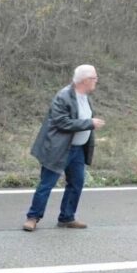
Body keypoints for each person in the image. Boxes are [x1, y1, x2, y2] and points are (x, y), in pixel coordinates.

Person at [23, 65, 105, 231]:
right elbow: (61, 122)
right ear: (85, 80)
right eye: (94, 78)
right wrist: (89, 123)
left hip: (78, 150)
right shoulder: (63, 96)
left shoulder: (86, 97)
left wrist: (88, 124)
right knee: (47, 184)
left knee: (76, 183)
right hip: (59, 149)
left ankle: (67, 217)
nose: (96, 81)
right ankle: (33, 217)